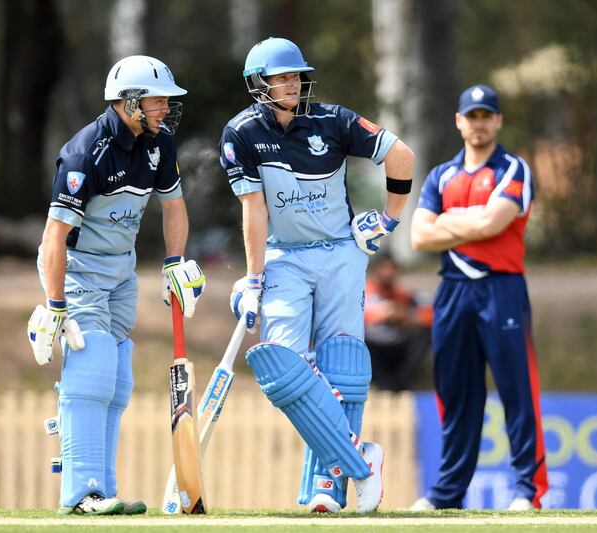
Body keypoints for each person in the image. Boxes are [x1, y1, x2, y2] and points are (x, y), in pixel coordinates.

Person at [219, 37, 415, 513]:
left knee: (342, 370)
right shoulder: (240, 134)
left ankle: (326, 487)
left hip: (342, 256)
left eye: (296, 76)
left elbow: (402, 156)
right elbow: (253, 209)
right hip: (284, 256)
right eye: (281, 77)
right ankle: (360, 460)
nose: (292, 84)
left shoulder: (334, 120)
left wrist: (387, 221)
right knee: (283, 369)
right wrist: (253, 278)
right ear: (258, 84)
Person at [27, 55, 205, 516]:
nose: (166, 107)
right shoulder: (85, 151)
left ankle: (102, 491)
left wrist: (173, 261)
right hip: (81, 268)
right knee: (93, 369)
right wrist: (55, 302)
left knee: (118, 378)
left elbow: (174, 206)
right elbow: (54, 236)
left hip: (122, 269)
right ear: (129, 102)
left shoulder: (159, 142)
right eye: (157, 99)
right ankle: (79, 494)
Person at [409, 84, 548, 511]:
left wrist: (449, 222)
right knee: (455, 392)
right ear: (459, 121)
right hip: (451, 290)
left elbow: (495, 222)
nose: (479, 124)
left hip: (501, 288)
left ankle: (529, 491)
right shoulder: (440, 176)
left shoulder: (513, 168)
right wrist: (473, 219)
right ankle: (447, 494)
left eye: (487, 115)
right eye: (472, 116)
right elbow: (418, 236)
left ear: (498, 121)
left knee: (516, 390)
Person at [364, 254, 432, 392]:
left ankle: (400, 386)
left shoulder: (404, 296)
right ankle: (382, 386)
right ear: (375, 270)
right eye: (384, 268)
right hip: (373, 349)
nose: (388, 273)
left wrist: (406, 315)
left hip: (398, 346)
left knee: (426, 334)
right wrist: (381, 314)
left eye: (392, 268)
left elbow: (431, 315)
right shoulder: (364, 293)